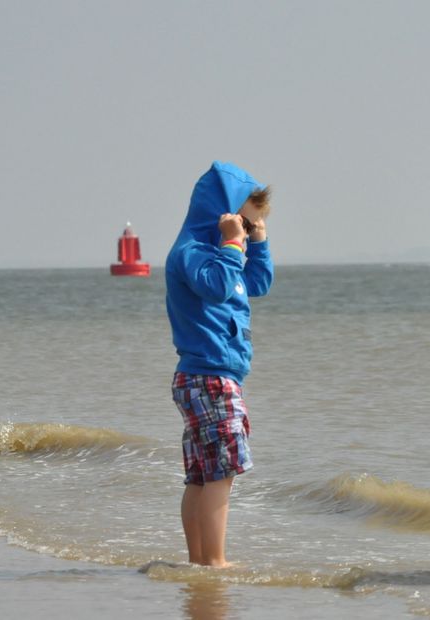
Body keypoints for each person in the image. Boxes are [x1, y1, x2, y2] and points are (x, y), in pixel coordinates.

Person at [165, 161, 273, 568]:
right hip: (208, 376)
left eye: (249, 224)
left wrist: (257, 243)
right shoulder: (193, 253)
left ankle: (198, 562)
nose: (244, 230)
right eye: (243, 220)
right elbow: (217, 286)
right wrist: (230, 245)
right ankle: (214, 561)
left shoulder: (225, 253)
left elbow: (257, 284)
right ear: (222, 212)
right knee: (220, 474)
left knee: (201, 473)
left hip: (212, 376)